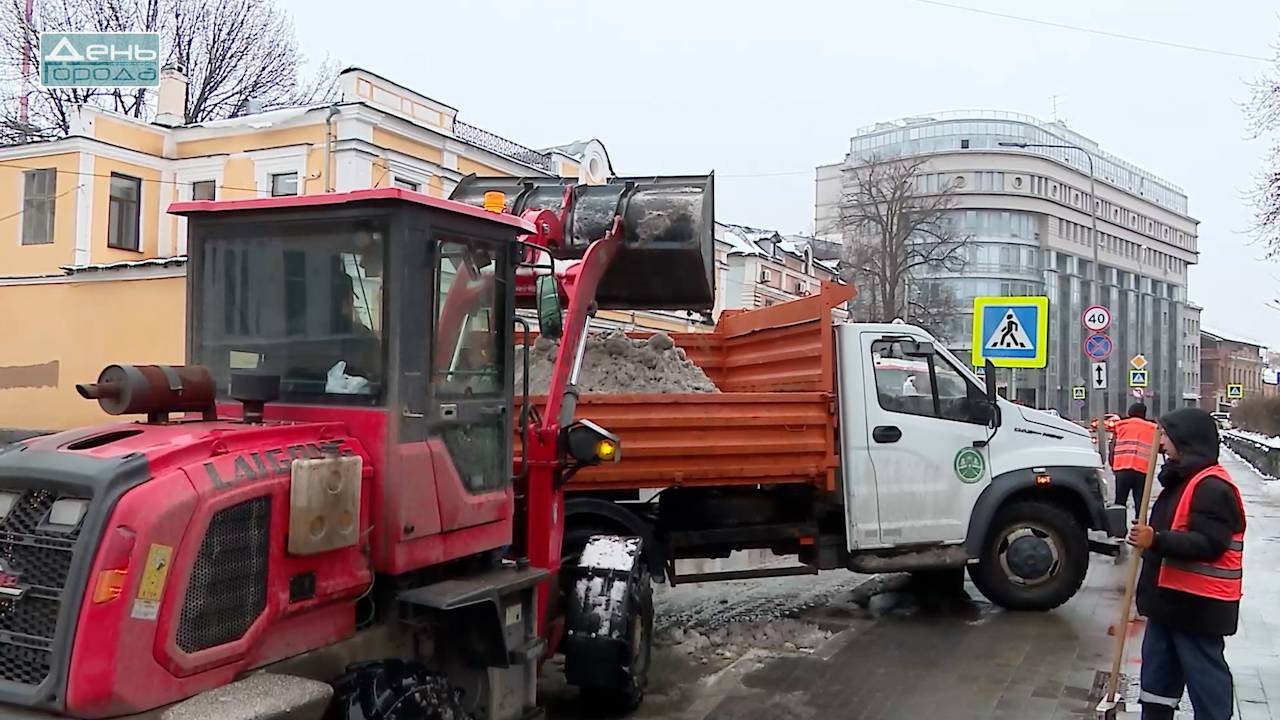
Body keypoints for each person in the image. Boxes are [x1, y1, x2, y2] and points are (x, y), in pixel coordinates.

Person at [1128, 408, 1246, 720]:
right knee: (1157, 679)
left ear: (1187, 440)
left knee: (1205, 680)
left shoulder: (1211, 487)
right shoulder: (1183, 481)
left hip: (1198, 607)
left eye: (1166, 435)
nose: (1161, 442)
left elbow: (1209, 544)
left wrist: (1156, 540)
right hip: (1169, 602)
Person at [1112, 403, 1158, 520]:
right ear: (1144, 414)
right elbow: (1159, 447)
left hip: (1121, 468)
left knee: (1120, 501)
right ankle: (1139, 526)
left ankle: (1119, 530)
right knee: (1140, 500)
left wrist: (1112, 464)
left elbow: (1112, 446)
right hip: (1141, 469)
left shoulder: (1120, 426)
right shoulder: (1152, 428)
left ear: (1129, 412)